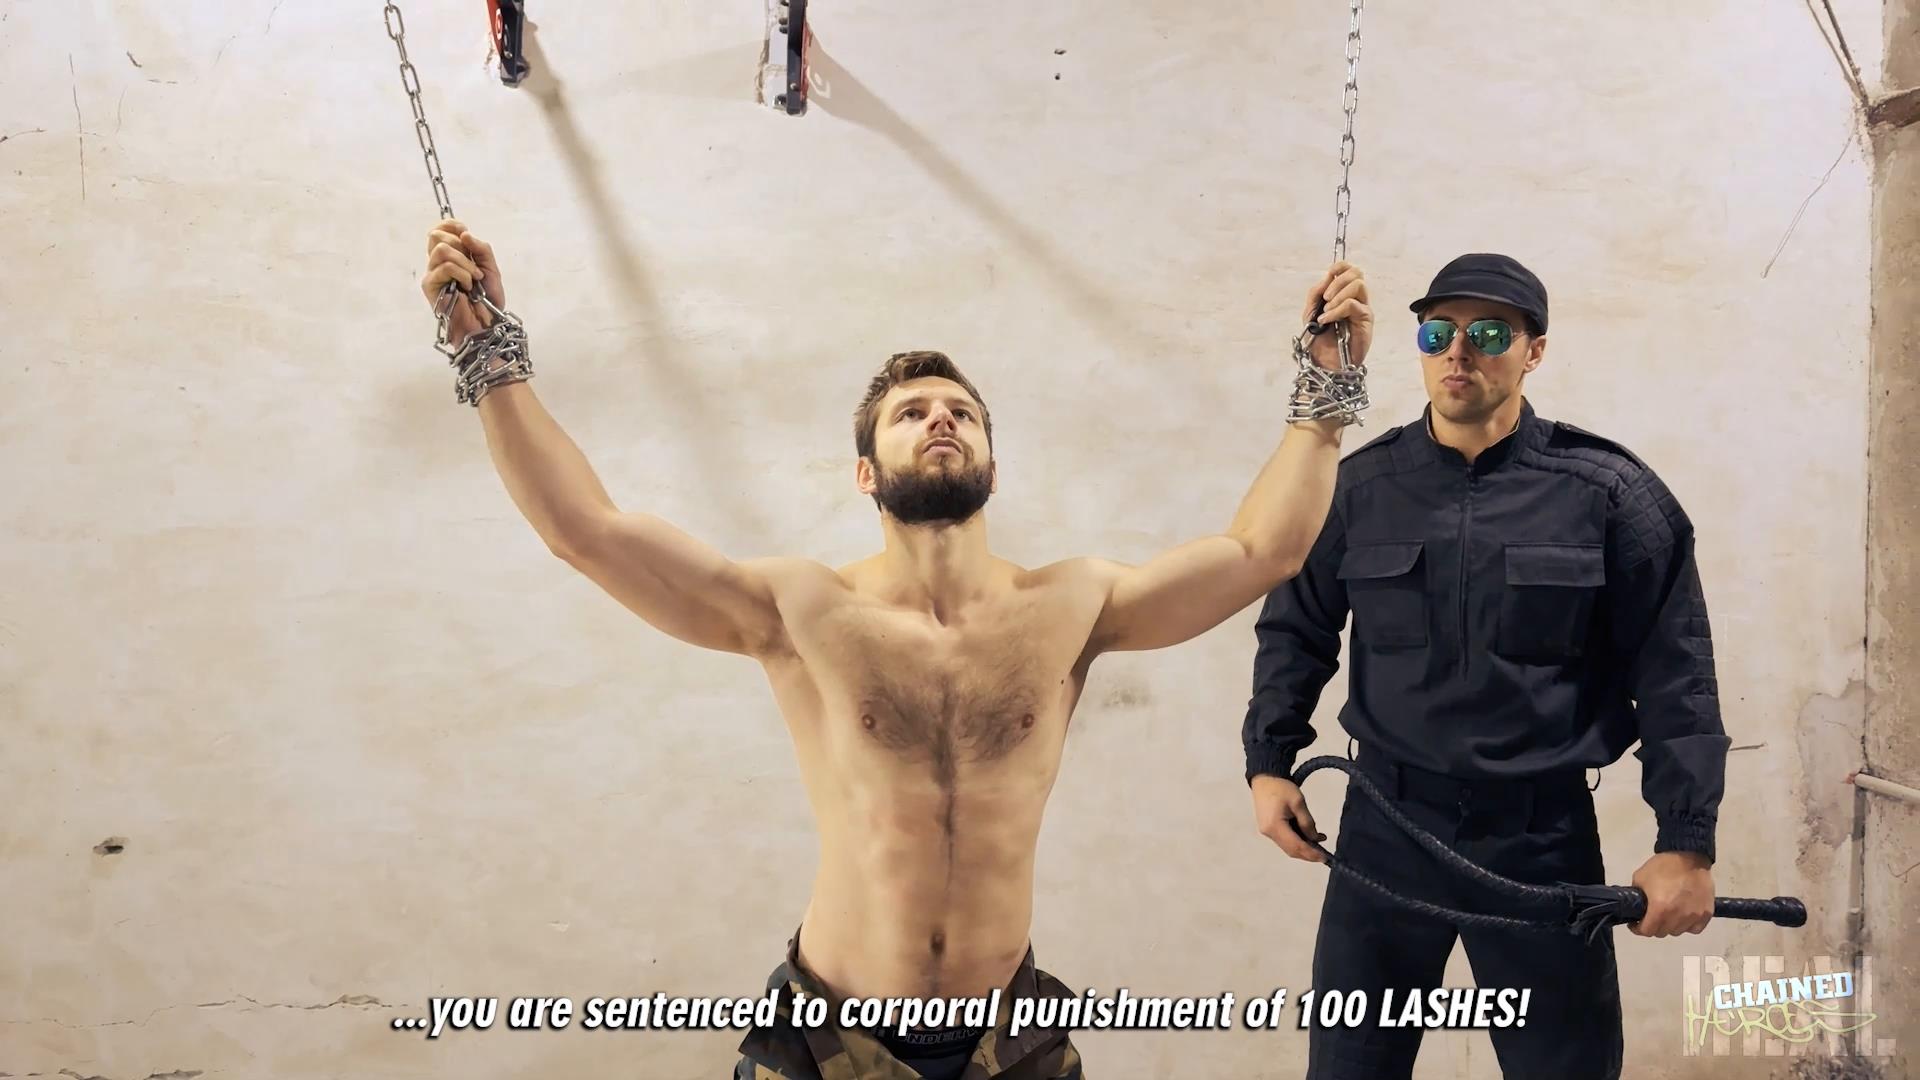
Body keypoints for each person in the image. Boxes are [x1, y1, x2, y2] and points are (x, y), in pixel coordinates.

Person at [417, 219, 1374, 1079]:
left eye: (961, 412)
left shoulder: (1075, 603)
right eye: (911, 413)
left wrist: (1326, 394)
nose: (940, 419)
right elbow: (585, 531)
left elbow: (1265, 551)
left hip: (1008, 1039)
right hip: (829, 1036)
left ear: (993, 464)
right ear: (866, 473)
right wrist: (486, 354)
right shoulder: (799, 608)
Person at [1240, 253, 1729, 1080]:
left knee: (1564, 1069)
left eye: (1490, 334)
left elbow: (1676, 672)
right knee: (1351, 1066)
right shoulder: (1359, 489)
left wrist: (1686, 842)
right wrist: (1268, 762)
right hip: (1386, 832)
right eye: (1438, 333)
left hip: (1540, 841)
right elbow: (1295, 629)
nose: (1459, 353)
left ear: (1535, 351)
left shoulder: (1608, 493)